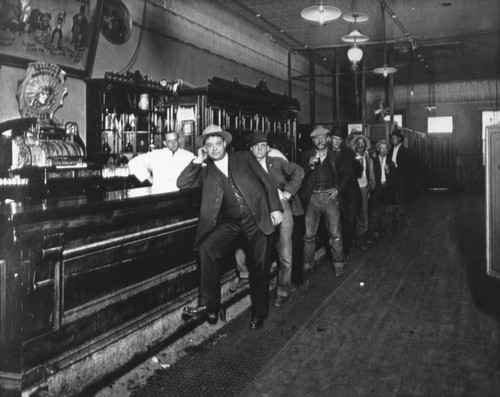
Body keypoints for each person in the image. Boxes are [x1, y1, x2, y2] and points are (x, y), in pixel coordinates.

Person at [177, 125, 283, 330]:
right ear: (205, 149)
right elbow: (182, 183)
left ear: (225, 144)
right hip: (230, 222)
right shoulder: (205, 168)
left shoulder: (243, 157)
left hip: (257, 218)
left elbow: (267, 181)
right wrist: (197, 161)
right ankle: (210, 306)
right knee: (207, 248)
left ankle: (259, 313)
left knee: (259, 269)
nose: (214, 148)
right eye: (209, 145)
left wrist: (275, 208)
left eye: (218, 143)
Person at [233, 131, 304, 307]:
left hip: (281, 207)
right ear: (250, 149)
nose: (260, 149)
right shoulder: (244, 166)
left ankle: (283, 290)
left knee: (285, 251)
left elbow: (299, 171)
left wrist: (287, 193)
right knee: (246, 245)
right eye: (256, 146)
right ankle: (246, 277)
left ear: (268, 148)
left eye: (263, 146)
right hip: (258, 210)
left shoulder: (276, 162)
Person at [299, 126, 350, 278]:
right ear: (313, 140)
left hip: (330, 198)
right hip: (312, 198)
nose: (320, 141)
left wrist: (337, 190)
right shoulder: (306, 155)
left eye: (323, 137)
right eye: (317, 138)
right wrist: (309, 165)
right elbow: (299, 175)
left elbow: (347, 176)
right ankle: (308, 263)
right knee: (308, 235)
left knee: (335, 234)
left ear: (327, 139)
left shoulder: (335, 155)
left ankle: (338, 264)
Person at [330, 127, 362, 260]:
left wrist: (359, 164)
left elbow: (355, 174)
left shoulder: (349, 153)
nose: (337, 142)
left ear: (342, 141)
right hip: (333, 193)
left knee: (349, 222)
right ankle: (337, 251)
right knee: (335, 224)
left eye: (339, 140)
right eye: (334, 139)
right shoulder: (326, 153)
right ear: (330, 139)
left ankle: (345, 251)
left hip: (350, 193)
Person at [128, 131, 195, 192]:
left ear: (179, 140)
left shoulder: (188, 156)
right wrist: (149, 177)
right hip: (159, 194)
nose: (173, 143)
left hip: (179, 195)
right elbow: (133, 163)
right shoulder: (156, 154)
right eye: (169, 141)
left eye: (175, 140)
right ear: (165, 143)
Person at [350, 134, 375, 250]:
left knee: (363, 215)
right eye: (358, 143)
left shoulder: (368, 159)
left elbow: (372, 176)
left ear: (365, 146)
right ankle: (351, 239)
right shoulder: (351, 158)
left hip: (364, 189)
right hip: (352, 190)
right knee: (352, 215)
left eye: (362, 144)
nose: (360, 145)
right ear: (355, 146)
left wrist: (370, 186)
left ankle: (360, 239)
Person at [388, 129, 411, 204]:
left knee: (402, 199)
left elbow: (406, 168)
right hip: (392, 178)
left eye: (394, 138)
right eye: (392, 138)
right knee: (393, 198)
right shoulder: (390, 150)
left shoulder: (405, 151)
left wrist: (395, 166)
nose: (393, 139)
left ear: (399, 139)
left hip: (401, 179)